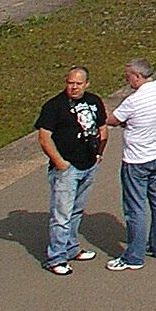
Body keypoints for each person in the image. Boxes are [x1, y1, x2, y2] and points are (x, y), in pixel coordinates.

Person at [34, 65, 106, 275]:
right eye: (70, 83)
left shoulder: (94, 101)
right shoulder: (54, 106)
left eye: (78, 84)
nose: (73, 87)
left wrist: (99, 153)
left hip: (89, 164)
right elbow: (44, 137)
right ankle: (56, 257)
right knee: (61, 215)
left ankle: (71, 248)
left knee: (76, 211)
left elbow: (102, 128)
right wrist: (59, 162)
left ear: (87, 84)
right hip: (67, 168)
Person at [104, 57, 156, 270]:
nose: (128, 81)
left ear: (137, 76)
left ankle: (134, 256)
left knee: (135, 209)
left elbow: (112, 120)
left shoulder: (134, 101)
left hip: (136, 161)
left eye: (128, 77)